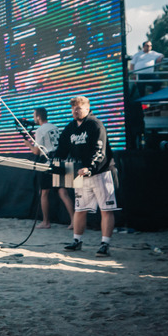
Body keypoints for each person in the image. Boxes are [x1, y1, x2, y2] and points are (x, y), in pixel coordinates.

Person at [53, 95, 118, 257]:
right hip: (81, 175)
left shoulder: (95, 125)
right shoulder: (70, 127)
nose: (76, 110)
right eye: (73, 107)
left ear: (88, 108)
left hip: (102, 172)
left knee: (106, 209)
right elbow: (61, 149)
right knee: (80, 209)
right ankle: (77, 241)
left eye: (79, 107)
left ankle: (105, 244)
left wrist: (90, 168)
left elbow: (100, 151)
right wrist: (54, 161)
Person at [28, 107, 74, 229]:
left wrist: (28, 145)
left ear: (38, 117)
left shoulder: (40, 130)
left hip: (48, 162)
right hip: (60, 160)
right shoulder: (55, 127)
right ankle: (75, 220)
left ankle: (46, 222)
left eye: (34, 116)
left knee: (44, 192)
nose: (34, 119)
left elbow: (36, 152)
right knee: (63, 192)